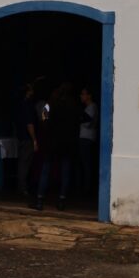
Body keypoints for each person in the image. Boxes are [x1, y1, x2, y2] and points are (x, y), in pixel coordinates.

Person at [34, 82, 80, 211]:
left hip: (52, 142)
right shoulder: (73, 104)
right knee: (65, 171)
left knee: (46, 170)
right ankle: (61, 200)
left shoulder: (50, 103)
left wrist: (47, 129)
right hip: (67, 142)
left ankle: (40, 200)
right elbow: (77, 122)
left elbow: (43, 118)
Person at [13, 83, 38, 197]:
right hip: (27, 138)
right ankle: (22, 188)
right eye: (31, 90)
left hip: (21, 136)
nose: (33, 92)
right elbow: (30, 124)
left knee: (23, 162)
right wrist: (34, 140)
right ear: (28, 92)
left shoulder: (19, 104)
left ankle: (22, 186)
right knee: (24, 164)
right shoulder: (27, 105)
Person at [78, 86, 98, 196]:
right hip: (86, 138)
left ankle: (87, 189)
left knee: (86, 165)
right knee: (86, 164)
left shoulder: (91, 107)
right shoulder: (89, 107)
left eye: (83, 94)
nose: (81, 96)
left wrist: (80, 119)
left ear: (89, 96)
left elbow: (87, 122)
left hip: (86, 138)